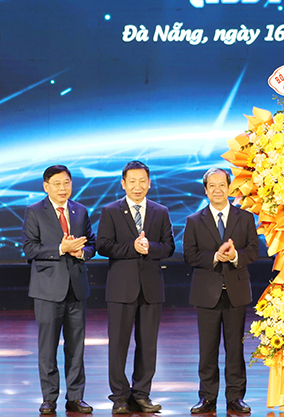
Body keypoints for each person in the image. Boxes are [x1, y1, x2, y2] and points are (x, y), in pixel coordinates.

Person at [97, 161, 175, 414]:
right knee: (118, 345)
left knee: (148, 345)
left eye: (142, 181)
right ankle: (119, 396)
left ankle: (141, 394)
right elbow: (103, 246)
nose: (137, 186)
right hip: (121, 288)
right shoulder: (110, 211)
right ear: (123, 184)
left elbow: (169, 247)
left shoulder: (160, 211)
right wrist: (132, 247)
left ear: (149, 183)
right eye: (132, 181)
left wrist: (150, 247)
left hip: (151, 289)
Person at [183, 168, 260, 414]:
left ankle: (235, 397)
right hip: (206, 294)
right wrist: (215, 256)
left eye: (222, 185)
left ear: (230, 188)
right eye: (212, 186)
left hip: (235, 293)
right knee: (207, 349)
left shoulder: (245, 218)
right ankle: (207, 397)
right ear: (205, 190)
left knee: (235, 348)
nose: (217, 190)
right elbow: (190, 255)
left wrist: (235, 255)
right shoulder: (194, 220)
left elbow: (253, 251)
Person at [22, 164, 96, 415]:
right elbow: (30, 249)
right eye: (57, 184)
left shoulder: (80, 211)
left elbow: (92, 244)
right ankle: (49, 398)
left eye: (66, 183)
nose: (63, 188)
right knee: (48, 347)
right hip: (47, 290)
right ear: (46, 187)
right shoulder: (34, 212)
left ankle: (75, 397)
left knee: (76, 347)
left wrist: (82, 252)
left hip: (77, 288)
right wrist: (61, 249)